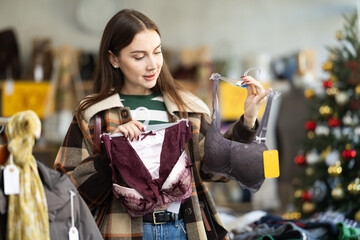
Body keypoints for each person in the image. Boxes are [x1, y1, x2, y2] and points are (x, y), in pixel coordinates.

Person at [54, 9, 271, 240]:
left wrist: (248, 119)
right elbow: (66, 194)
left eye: (157, 52)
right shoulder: (94, 115)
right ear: (113, 58)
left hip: (185, 229)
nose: (152, 65)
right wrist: (110, 155)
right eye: (139, 57)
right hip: (120, 233)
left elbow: (217, 170)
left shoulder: (187, 108)